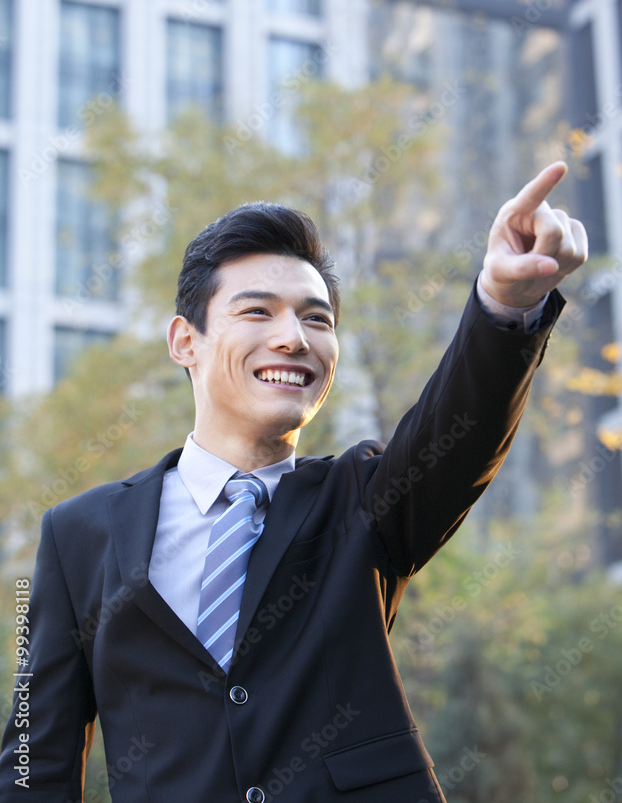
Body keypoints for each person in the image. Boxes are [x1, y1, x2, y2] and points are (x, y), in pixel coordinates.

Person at [0, 161, 587, 802]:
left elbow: (460, 431)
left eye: (317, 320)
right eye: (258, 311)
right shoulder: (77, 534)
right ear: (184, 340)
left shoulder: (361, 501)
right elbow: (35, 749)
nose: (292, 339)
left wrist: (505, 303)